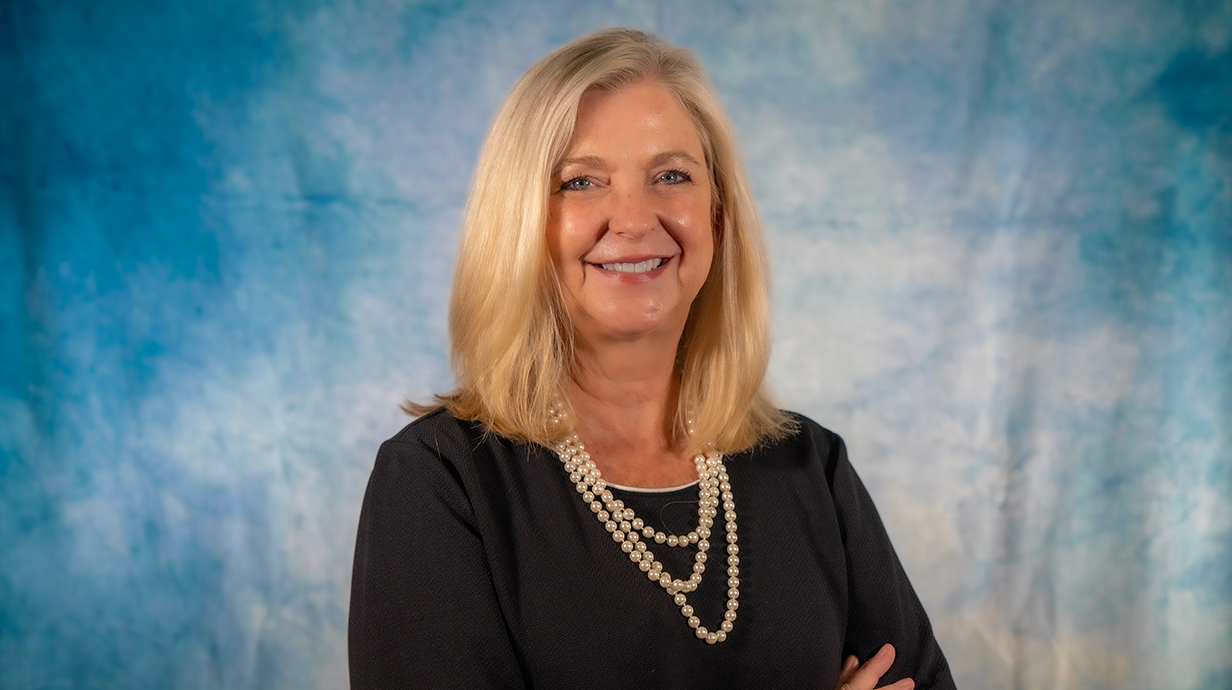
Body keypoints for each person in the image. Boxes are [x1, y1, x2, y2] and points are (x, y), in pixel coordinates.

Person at [349, 28, 955, 690]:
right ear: (519, 223)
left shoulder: (812, 466)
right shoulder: (441, 481)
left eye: (671, 175)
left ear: (718, 217)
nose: (634, 219)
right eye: (580, 182)